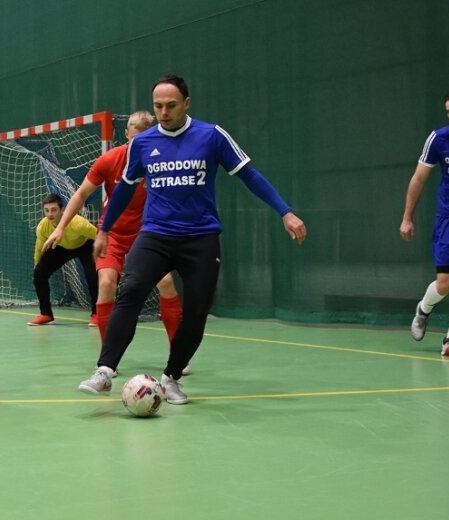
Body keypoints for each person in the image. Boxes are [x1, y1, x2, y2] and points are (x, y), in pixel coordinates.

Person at [78, 74, 307, 404]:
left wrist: (285, 211)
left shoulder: (211, 136)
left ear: (186, 103)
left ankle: (171, 377)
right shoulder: (142, 144)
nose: (164, 112)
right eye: (158, 106)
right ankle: (104, 371)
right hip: (155, 235)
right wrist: (104, 230)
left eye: (171, 105)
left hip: (200, 238)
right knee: (130, 290)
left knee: (197, 310)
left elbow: (249, 174)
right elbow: (124, 190)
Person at [42, 110, 188, 374]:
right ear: (127, 135)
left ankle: (178, 355)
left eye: (144, 138)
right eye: (134, 138)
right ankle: (108, 359)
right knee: (107, 284)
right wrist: (60, 227)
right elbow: (81, 194)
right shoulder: (110, 160)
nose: (139, 145)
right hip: (112, 235)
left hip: (147, 234)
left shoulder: (162, 162)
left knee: (166, 282)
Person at [400, 91, 449, 357]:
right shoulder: (439, 139)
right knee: (445, 282)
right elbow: (419, 178)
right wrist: (407, 217)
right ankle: (424, 308)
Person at [28, 193, 99, 326]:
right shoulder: (43, 227)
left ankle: (97, 314)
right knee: (39, 274)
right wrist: (37, 267)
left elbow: (99, 236)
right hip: (61, 247)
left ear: (63, 210)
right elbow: (40, 248)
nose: (50, 214)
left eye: (54, 210)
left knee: (92, 274)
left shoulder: (79, 224)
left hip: (85, 245)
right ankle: (46, 314)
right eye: (47, 210)